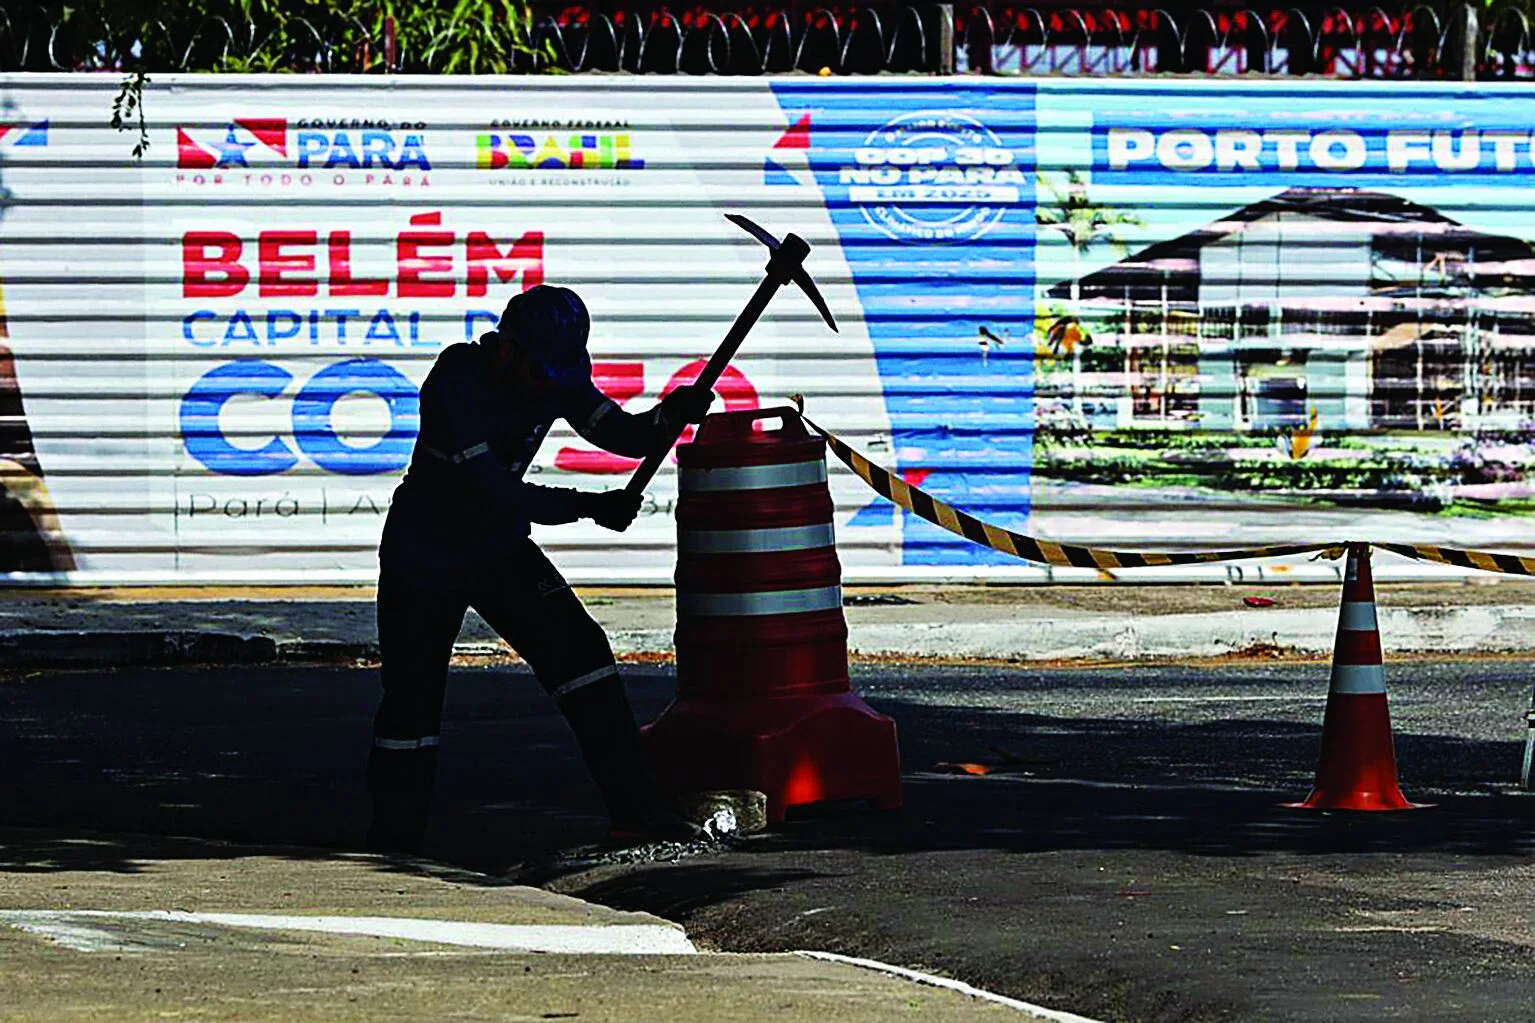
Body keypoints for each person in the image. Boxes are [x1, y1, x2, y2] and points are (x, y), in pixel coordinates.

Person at [367, 284, 715, 854]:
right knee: (412, 703)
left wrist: (667, 416)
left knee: (584, 658)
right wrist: (589, 505)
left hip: (495, 549)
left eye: (561, 377)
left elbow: (615, 431)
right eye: (541, 375)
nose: (552, 388)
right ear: (506, 351)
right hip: (424, 555)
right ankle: (392, 844)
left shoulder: (554, 371)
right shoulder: (456, 381)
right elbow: (499, 495)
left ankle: (637, 811)